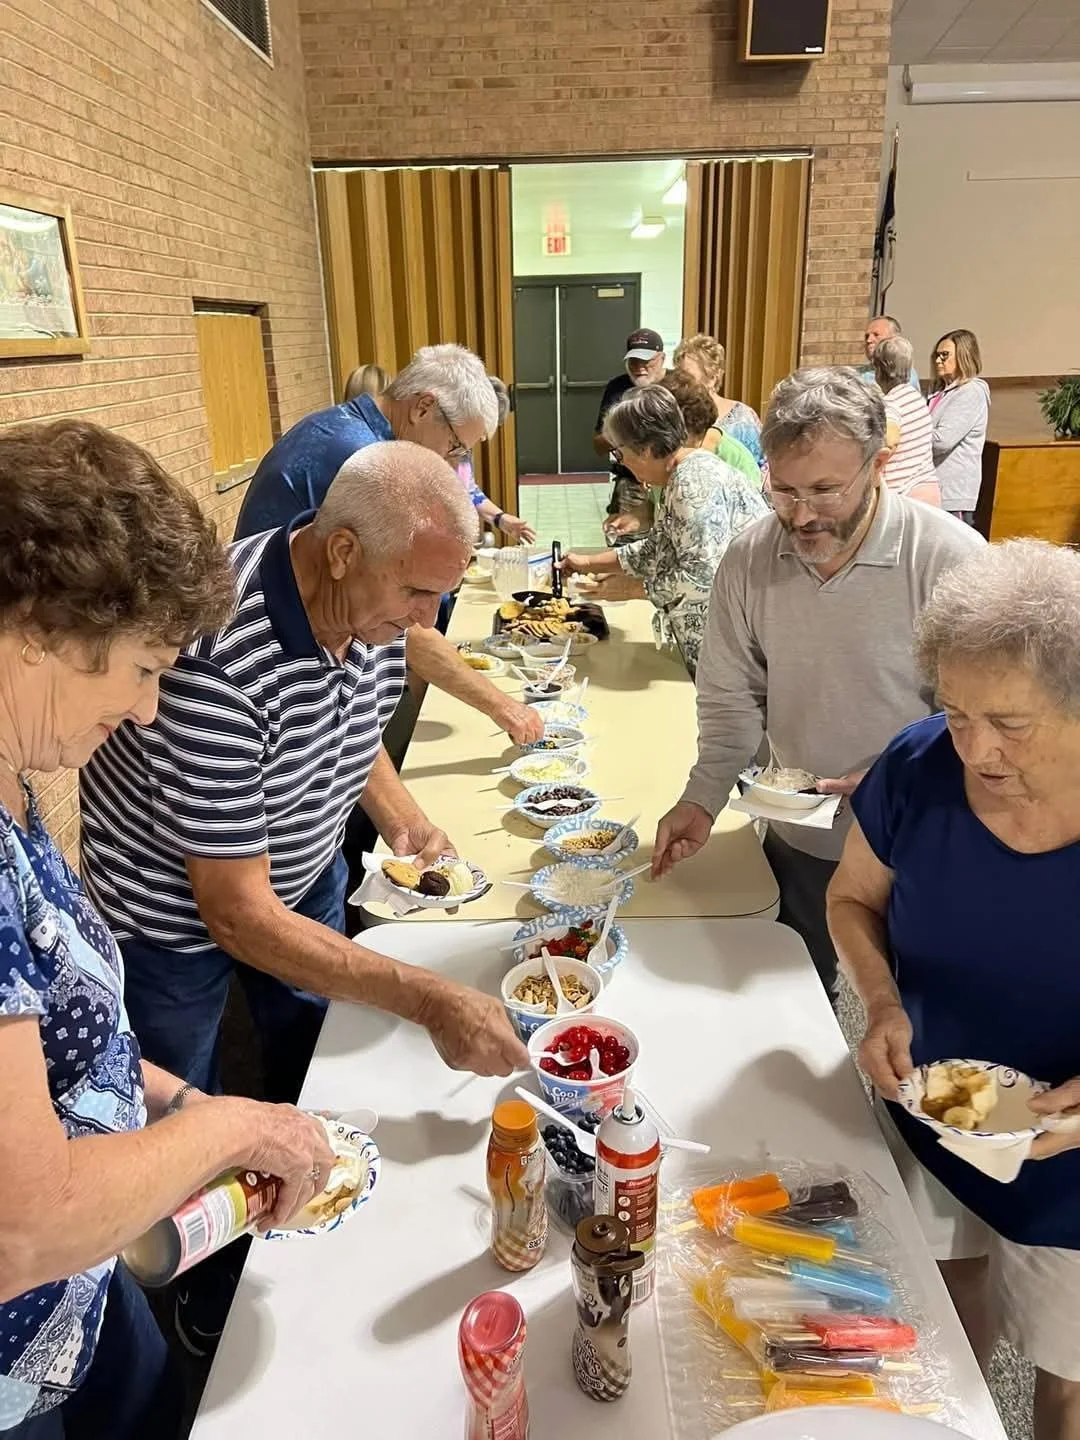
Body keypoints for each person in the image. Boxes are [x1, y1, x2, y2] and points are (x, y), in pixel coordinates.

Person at [0, 420, 341, 1437]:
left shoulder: (15, 781)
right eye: (146, 667)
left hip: (82, 1302)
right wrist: (233, 1123)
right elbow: (24, 1221)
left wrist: (183, 1102)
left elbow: (65, 1053)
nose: (150, 711)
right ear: (41, 627)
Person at [80, 440, 529, 1110]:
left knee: (320, 1064)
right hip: (169, 926)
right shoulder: (218, 659)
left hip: (304, 878)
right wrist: (428, 999)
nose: (424, 620)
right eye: (414, 592)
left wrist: (402, 815)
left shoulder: (368, 608)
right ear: (343, 552)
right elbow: (236, 913)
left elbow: (336, 721)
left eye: (440, 595)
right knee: (182, 1106)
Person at [827, 540, 1080, 1440]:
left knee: (1069, 1379)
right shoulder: (918, 766)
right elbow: (853, 897)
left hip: (1074, 1165)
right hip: (940, 1112)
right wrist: (883, 1002)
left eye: (1009, 722)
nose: (974, 747)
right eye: (955, 711)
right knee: (935, 1329)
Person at [650, 368, 984, 998]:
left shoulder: (950, 561)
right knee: (797, 1000)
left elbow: (996, 726)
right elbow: (730, 698)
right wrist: (701, 799)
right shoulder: (750, 559)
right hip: (802, 836)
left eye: (827, 490)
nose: (801, 516)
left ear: (880, 463)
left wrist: (903, 776)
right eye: (784, 489)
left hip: (921, 846)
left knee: (913, 1025)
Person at [236, 356, 541, 749]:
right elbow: (400, 616)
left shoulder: (351, 429)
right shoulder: (360, 459)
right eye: (454, 447)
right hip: (274, 674)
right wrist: (503, 707)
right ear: (423, 407)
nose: (452, 463)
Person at [560, 385, 767, 673]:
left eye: (619, 455)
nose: (621, 464)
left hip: (734, 650)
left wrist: (631, 589)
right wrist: (588, 563)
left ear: (645, 450)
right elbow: (657, 546)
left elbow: (703, 576)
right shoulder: (681, 473)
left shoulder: (693, 480)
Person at [594, 328, 667, 532]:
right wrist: (624, 432)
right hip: (631, 482)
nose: (640, 368)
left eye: (647, 361)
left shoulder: (677, 386)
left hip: (671, 482)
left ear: (661, 358)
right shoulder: (617, 388)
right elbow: (598, 444)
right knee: (627, 547)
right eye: (634, 361)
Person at [455, 377, 535, 543]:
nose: (483, 437)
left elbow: (469, 490)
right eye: (483, 427)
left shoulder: (463, 450)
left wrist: (500, 518)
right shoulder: (436, 444)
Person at [673, 333, 765, 471]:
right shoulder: (674, 415)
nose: (681, 382)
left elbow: (760, 469)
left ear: (712, 378)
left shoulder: (742, 419)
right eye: (678, 375)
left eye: (688, 376)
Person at [929, 329, 990, 525]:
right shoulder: (939, 392)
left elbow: (942, 441)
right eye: (936, 355)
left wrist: (910, 434)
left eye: (944, 355)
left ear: (963, 356)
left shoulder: (971, 391)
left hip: (953, 494)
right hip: (933, 489)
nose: (938, 360)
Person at [872, 336, 940, 506]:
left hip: (903, 496)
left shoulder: (892, 405)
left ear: (880, 371)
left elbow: (890, 441)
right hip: (928, 486)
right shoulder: (917, 399)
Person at [858, 315, 919, 389]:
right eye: (867, 336)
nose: (869, 340)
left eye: (876, 335)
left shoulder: (905, 375)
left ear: (894, 340)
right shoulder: (857, 374)